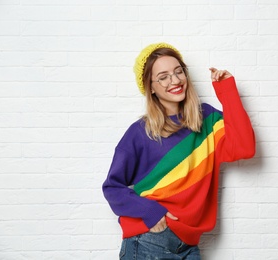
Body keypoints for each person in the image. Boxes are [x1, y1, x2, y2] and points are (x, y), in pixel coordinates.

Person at [102, 42, 256, 260]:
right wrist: (151, 213)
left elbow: (244, 148)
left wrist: (227, 91)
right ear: (151, 87)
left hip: (189, 246)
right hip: (148, 243)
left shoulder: (208, 120)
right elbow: (112, 187)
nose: (175, 81)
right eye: (163, 76)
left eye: (178, 72)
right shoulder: (141, 132)